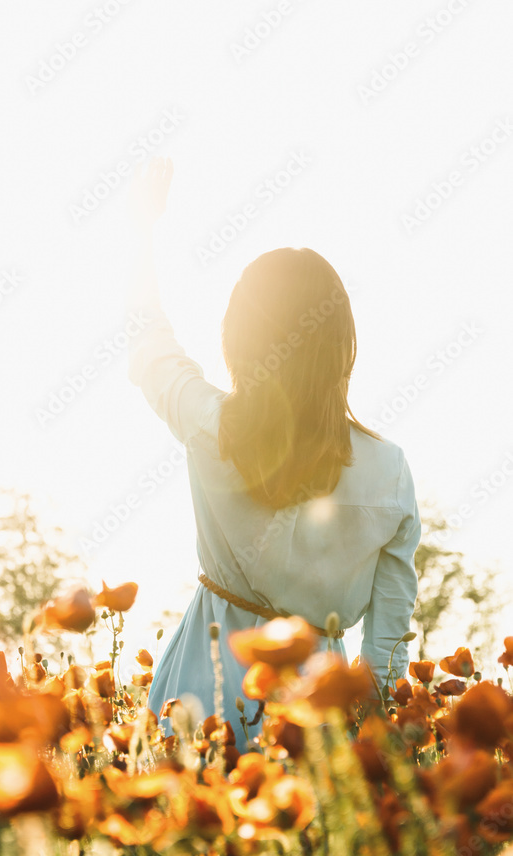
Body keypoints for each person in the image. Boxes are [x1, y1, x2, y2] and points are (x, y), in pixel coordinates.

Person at [126, 157, 421, 751]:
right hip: (316, 718)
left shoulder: (212, 426)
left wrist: (140, 231)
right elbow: (387, 651)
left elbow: (147, 340)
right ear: (343, 346)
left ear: (239, 339)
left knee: (185, 835)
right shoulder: (388, 472)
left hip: (199, 688)